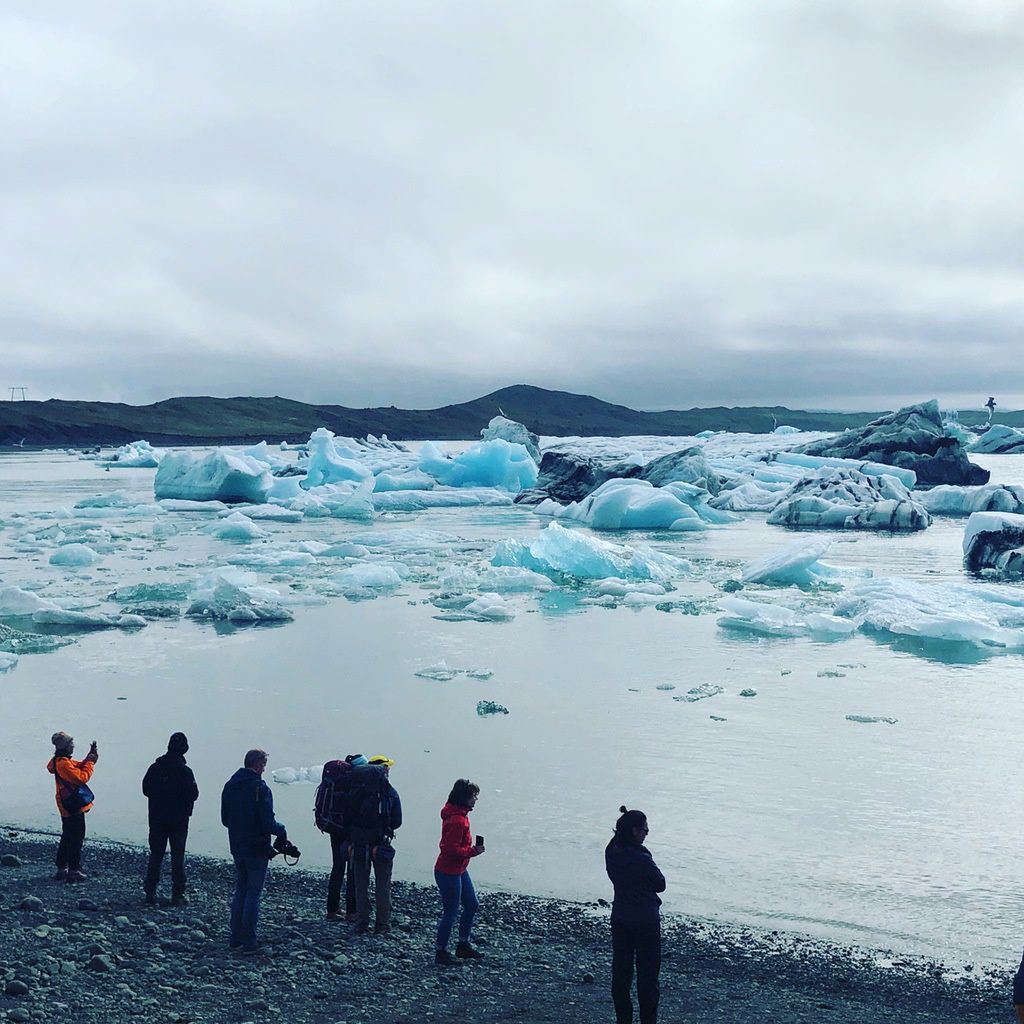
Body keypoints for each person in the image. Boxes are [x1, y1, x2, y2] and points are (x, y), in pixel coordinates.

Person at [220, 748, 287, 954]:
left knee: (240, 890)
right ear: (258, 765)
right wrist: (281, 830)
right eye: (264, 765)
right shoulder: (260, 788)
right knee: (253, 894)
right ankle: (249, 941)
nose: (264, 769)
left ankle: (235, 937)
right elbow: (267, 822)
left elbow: (225, 819)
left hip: (237, 845)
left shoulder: (230, 785)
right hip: (256, 847)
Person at [605, 806, 666, 1024]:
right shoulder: (641, 858)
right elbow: (661, 884)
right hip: (646, 921)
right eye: (644, 829)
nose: (647, 832)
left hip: (620, 916)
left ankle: (624, 1020)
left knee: (621, 973)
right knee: (647, 977)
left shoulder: (611, 851)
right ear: (634, 831)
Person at [142, 732, 200, 906]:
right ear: (185, 749)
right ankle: (177, 894)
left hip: (157, 818)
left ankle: (150, 891)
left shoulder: (155, 767)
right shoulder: (185, 771)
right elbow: (194, 794)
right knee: (177, 856)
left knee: (156, 855)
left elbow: (146, 789)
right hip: (178, 821)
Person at [349, 754, 403, 935]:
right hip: (381, 844)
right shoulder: (389, 792)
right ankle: (382, 924)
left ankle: (362, 922)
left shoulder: (356, 790)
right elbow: (397, 821)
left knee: (360, 884)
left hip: (358, 843)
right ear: (384, 770)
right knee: (383, 884)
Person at [434, 778, 485, 966]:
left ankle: (462, 945)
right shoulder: (457, 820)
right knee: (451, 912)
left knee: (471, 904)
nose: (475, 800)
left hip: (459, 869)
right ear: (464, 798)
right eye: (473, 796)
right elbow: (450, 850)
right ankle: (441, 952)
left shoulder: (460, 814)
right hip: (448, 871)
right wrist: (473, 851)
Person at [47, 731, 98, 882]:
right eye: (71, 744)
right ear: (65, 747)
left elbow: (75, 766)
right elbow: (81, 778)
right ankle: (73, 869)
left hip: (65, 803)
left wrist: (88, 759)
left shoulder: (60, 761)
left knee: (68, 835)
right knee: (76, 836)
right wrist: (91, 763)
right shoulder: (63, 764)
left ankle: (62, 867)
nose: (73, 746)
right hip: (72, 804)